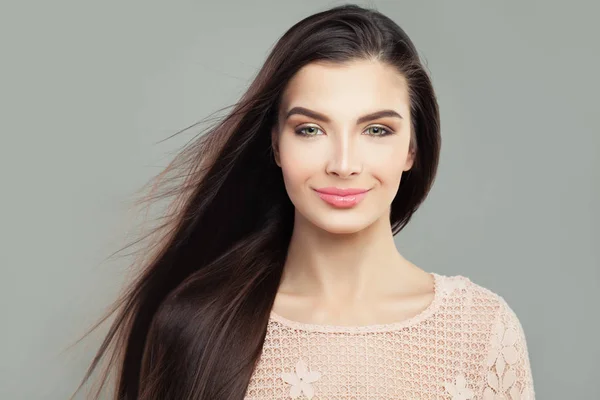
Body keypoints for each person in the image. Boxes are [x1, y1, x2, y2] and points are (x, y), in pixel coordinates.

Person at [70, 3, 535, 399]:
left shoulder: (480, 330)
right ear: (275, 144)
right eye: (310, 129)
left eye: (377, 130)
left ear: (412, 148)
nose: (344, 162)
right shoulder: (197, 324)